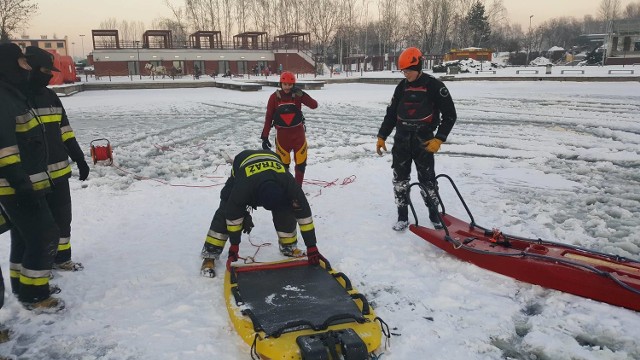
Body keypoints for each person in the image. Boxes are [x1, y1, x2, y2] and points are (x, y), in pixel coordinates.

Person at [0, 43, 64, 312]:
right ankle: (36, 296)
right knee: (45, 235)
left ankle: (23, 287)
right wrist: (19, 182)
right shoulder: (3, 98)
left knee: (25, 238)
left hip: (27, 180)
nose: (26, 68)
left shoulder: (13, 94)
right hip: (16, 185)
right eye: (22, 63)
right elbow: (4, 147)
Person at [200, 149, 321, 277]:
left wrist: (311, 246)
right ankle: (210, 255)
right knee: (225, 209)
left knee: (286, 209)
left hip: (272, 161)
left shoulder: (289, 184)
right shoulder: (243, 188)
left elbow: (304, 216)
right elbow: (233, 214)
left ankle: (289, 247)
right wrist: (235, 244)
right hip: (243, 164)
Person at [375, 47, 457, 231]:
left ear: (418, 67)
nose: (406, 74)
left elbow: (450, 115)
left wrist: (439, 139)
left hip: (424, 141)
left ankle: (434, 216)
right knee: (400, 181)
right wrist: (382, 136)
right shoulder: (401, 87)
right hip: (402, 140)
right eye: (403, 71)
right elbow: (391, 114)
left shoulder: (435, 86)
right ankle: (402, 216)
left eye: (409, 70)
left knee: (428, 181)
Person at [25, 46, 90, 272]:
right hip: (33, 179)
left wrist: (79, 158)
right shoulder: (16, 99)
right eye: (44, 69)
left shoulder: (51, 96)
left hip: (60, 173)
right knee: (40, 226)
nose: (49, 75)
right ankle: (39, 266)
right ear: (31, 68)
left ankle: (62, 259)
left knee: (63, 220)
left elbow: (65, 131)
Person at [261, 71, 318, 186]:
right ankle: (286, 187)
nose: (287, 87)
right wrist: (265, 136)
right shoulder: (274, 97)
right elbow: (268, 118)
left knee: (301, 164)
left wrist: (303, 95)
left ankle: (297, 189)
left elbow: (314, 105)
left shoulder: (297, 95)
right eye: (285, 84)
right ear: (280, 83)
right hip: (283, 138)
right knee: (283, 166)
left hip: (298, 136)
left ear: (293, 85)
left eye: (290, 84)